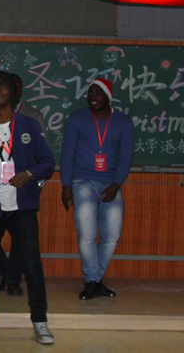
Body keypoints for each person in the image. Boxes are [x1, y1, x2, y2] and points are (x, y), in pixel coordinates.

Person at [0, 71, 55, 346]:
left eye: (3, 86)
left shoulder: (29, 126)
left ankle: (40, 322)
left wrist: (29, 174)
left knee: (32, 266)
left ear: (14, 93)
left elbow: (48, 162)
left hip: (23, 208)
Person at [61, 79, 134, 301]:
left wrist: (116, 184)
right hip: (82, 181)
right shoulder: (76, 119)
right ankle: (92, 280)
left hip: (111, 183)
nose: (92, 97)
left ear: (108, 97)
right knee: (86, 234)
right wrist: (66, 185)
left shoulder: (123, 122)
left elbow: (126, 157)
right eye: (90, 93)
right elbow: (67, 154)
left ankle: (95, 280)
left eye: (98, 93)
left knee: (112, 235)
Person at [0, 73, 49, 297]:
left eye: (14, 87)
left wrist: (35, 179)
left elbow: (43, 155)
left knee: (21, 239)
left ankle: (14, 279)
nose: (8, 91)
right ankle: (3, 270)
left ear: (20, 91)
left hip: (25, 185)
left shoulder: (33, 117)